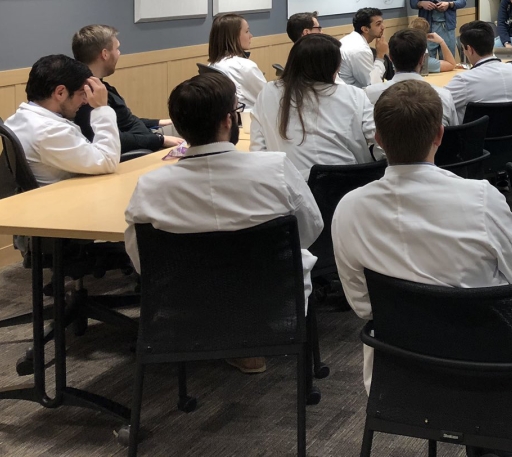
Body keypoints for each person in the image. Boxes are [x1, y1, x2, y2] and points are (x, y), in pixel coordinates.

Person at [332, 79, 512, 456]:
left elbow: (363, 305)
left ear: (378, 139)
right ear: (440, 135)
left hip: (403, 370)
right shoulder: (479, 198)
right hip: (491, 364)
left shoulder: (349, 208)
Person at [124, 73, 322, 374]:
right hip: (272, 301)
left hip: (184, 306)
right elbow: (310, 229)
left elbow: (143, 262)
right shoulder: (275, 168)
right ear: (229, 121)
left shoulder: (151, 186)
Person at [251, 34, 376, 179]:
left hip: (290, 190)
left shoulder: (269, 92)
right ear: (331, 68)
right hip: (349, 186)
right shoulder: (353, 95)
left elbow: (258, 150)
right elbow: (380, 139)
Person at [5, 54, 120, 186]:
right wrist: (101, 109)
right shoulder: (49, 131)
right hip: (66, 200)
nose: (85, 100)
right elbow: (108, 161)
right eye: (82, 93)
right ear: (60, 93)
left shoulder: (18, 118)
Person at [72, 24, 181, 154]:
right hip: (144, 148)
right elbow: (115, 138)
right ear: (105, 54)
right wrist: (160, 140)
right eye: (117, 48)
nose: (119, 53)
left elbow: (125, 121)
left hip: (148, 136)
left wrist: (160, 122)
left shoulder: (99, 86)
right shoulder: (88, 97)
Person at [364, 29, 458, 126]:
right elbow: (454, 133)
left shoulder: (371, 94)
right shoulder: (444, 96)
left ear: (390, 58)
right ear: (422, 59)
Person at [446, 20, 512, 122]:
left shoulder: (464, 81)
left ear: (470, 50)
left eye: (463, 49)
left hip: (476, 137)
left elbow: (439, 102)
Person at [207, 12, 266, 111]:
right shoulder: (245, 67)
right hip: (248, 120)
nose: (251, 36)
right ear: (233, 37)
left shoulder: (212, 65)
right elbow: (267, 96)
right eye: (247, 31)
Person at [338, 7, 387, 89]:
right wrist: (380, 55)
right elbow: (373, 85)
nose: (383, 27)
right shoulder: (360, 50)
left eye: (382, 23)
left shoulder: (350, 39)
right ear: (365, 29)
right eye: (378, 24)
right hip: (354, 97)